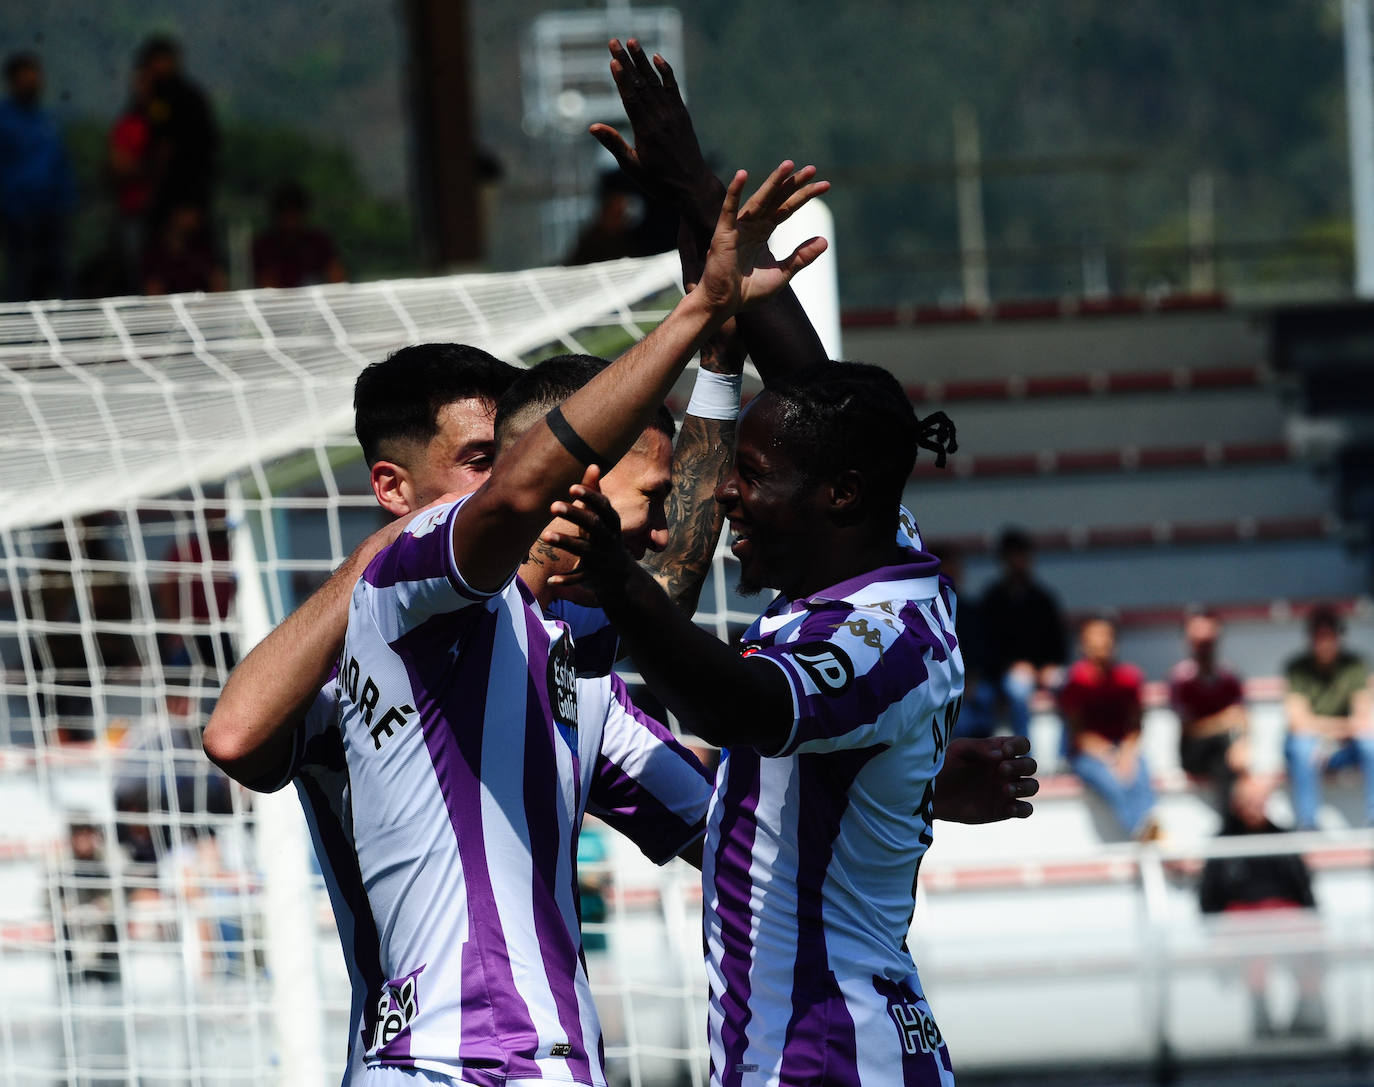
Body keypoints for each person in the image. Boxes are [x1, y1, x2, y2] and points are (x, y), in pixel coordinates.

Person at [544, 357, 971, 1086]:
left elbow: (738, 707)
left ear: (840, 495)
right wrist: (723, 287)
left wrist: (619, 580)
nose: (724, 494)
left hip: (831, 1056)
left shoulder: (888, 635)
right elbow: (823, 395)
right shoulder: (869, 546)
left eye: (752, 473)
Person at [1198, 775, 1325, 1037]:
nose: (1255, 806)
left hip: (1283, 911)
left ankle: (1308, 1011)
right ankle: (1261, 1016)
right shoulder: (1222, 842)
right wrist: (1214, 931)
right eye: (1248, 801)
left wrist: (1314, 921)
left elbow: (1302, 887)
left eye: (1259, 800)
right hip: (1242, 914)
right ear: (1236, 804)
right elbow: (1209, 895)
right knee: (1254, 944)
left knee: (1308, 939)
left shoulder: (1281, 837)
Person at [1059, 617, 1160, 840]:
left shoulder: (1130, 677)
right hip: (1088, 753)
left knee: (1140, 773)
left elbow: (1135, 724)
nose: (1101, 642)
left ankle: (1147, 827)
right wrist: (1110, 755)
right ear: (1083, 644)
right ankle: (1143, 830)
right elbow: (1078, 732)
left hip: (1121, 746)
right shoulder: (1075, 681)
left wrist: (1126, 752)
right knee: (1111, 781)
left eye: (1105, 636)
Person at [1283, 605, 1373, 830]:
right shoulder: (1297, 668)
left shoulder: (1355, 665)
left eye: (1329, 636)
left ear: (1339, 637)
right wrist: (1342, 728)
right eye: (1318, 636)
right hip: (1314, 745)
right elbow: (1296, 723)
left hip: (1340, 746)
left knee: (1371, 744)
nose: (1324, 643)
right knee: (1302, 748)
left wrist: (1325, 731)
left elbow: (1363, 719)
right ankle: (1308, 822)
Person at [975, 527, 1068, 743]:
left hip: (1043, 669)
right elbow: (986, 646)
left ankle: (1067, 753)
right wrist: (1009, 666)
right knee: (1018, 688)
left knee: (1069, 682)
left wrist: (1050, 665)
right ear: (1003, 560)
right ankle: (1024, 754)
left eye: (1023, 556)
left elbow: (1058, 641)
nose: (1019, 561)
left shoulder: (1043, 598)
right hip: (1006, 673)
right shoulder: (992, 599)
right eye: (1013, 556)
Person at [0, 52, 74, 301]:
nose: (32, 82)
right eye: (25, 78)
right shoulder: (5, 119)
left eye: (35, 77)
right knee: (22, 276)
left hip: (51, 212)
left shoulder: (46, 119)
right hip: (19, 213)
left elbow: (59, 163)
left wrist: (66, 200)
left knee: (58, 276)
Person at [136, 36, 219, 231]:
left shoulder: (177, 98)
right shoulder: (165, 97)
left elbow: (167, 146)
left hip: (182, 191)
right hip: (184, 190)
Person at [1169, 612, 1249, 802]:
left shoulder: (1229, 675)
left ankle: (1233, 822)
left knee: (1227, 759)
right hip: (1193, 752)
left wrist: (1243, 742)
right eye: (1200, 642)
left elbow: (1241, 716)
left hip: (1222, 753)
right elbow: (1188, 728)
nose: (1204, 648)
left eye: (1209, 642)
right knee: (1223, 750)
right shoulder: (1180, 678)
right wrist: (1223, 722)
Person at [252, 180, 347, 288]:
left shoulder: (319, 241)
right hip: (279, 303)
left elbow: (337, 280)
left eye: (295, 210)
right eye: (286, 211)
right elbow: (268, 286)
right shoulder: (265, 246)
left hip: (316, 300)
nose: (291, 217)